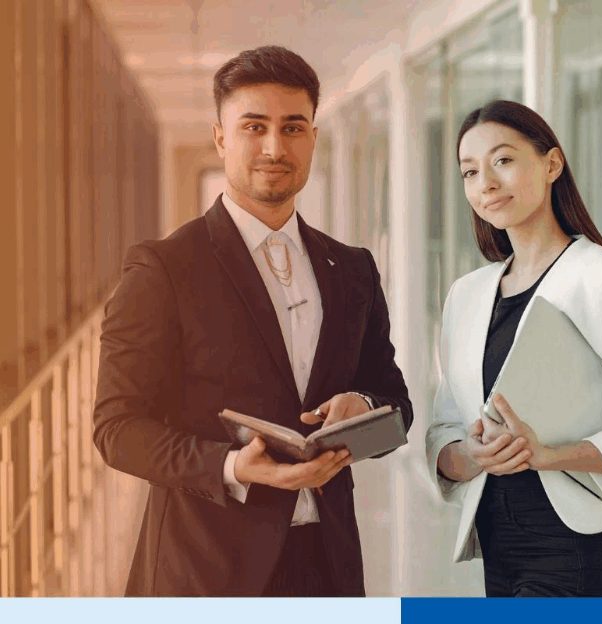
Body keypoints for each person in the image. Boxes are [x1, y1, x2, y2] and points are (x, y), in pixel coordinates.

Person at [93, 45, 412, 597]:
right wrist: (234, 465)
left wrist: (361, 406)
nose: (274, 147)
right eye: (253, 126)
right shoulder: (163, 267)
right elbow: (117, 429)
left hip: (329, 568)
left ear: (313, 136)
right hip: (206, 570)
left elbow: (396, 406)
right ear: (221, 137)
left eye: (292, 127)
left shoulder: (352, 269)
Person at [425, 100, 602, 597]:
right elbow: (443, 432)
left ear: (551, 163)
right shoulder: (466, 295)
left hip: (573, 551)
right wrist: (473, 454)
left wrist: (548, 454)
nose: (486, 183)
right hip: (497, 551)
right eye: (470, 171)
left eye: (503, 160)